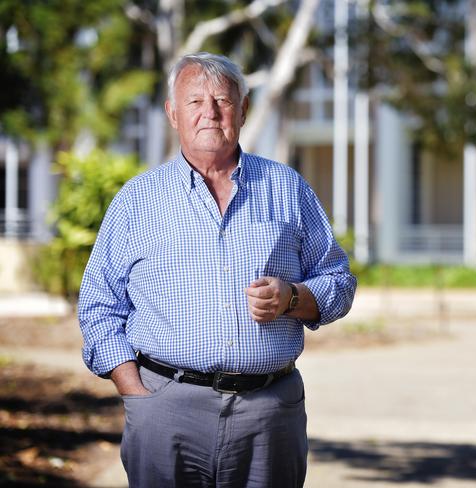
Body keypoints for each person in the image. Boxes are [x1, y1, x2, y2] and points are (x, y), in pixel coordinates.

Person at [78, 52, 356, 487]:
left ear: (243, 110)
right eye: (194, 102)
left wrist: (293, 298)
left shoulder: (287, 188)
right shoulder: (137, 200)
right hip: (165, 413)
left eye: (223, 101)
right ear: (173, 113)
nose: (209, 112)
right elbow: (98, 306)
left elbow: (339, 281)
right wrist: (138, 397)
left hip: (268, 414)